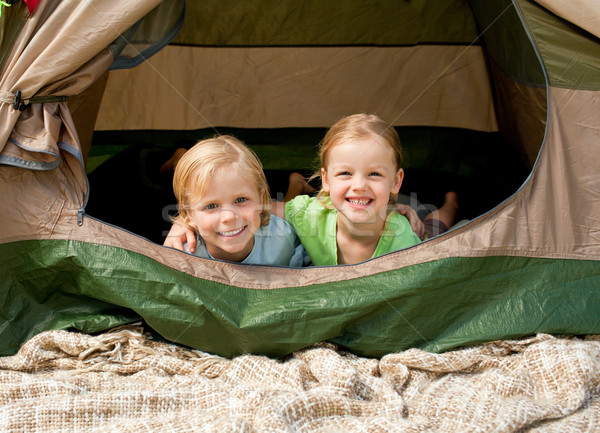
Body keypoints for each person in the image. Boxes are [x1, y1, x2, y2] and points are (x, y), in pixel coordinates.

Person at [169, 135, 305, 266]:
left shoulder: (283, 234)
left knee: (287, 206)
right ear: (189, 214)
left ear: (262, 200)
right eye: (211, 206)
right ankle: (179, 155)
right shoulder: (187, 257)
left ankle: (296, 184)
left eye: (240, 199)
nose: (229, 216)